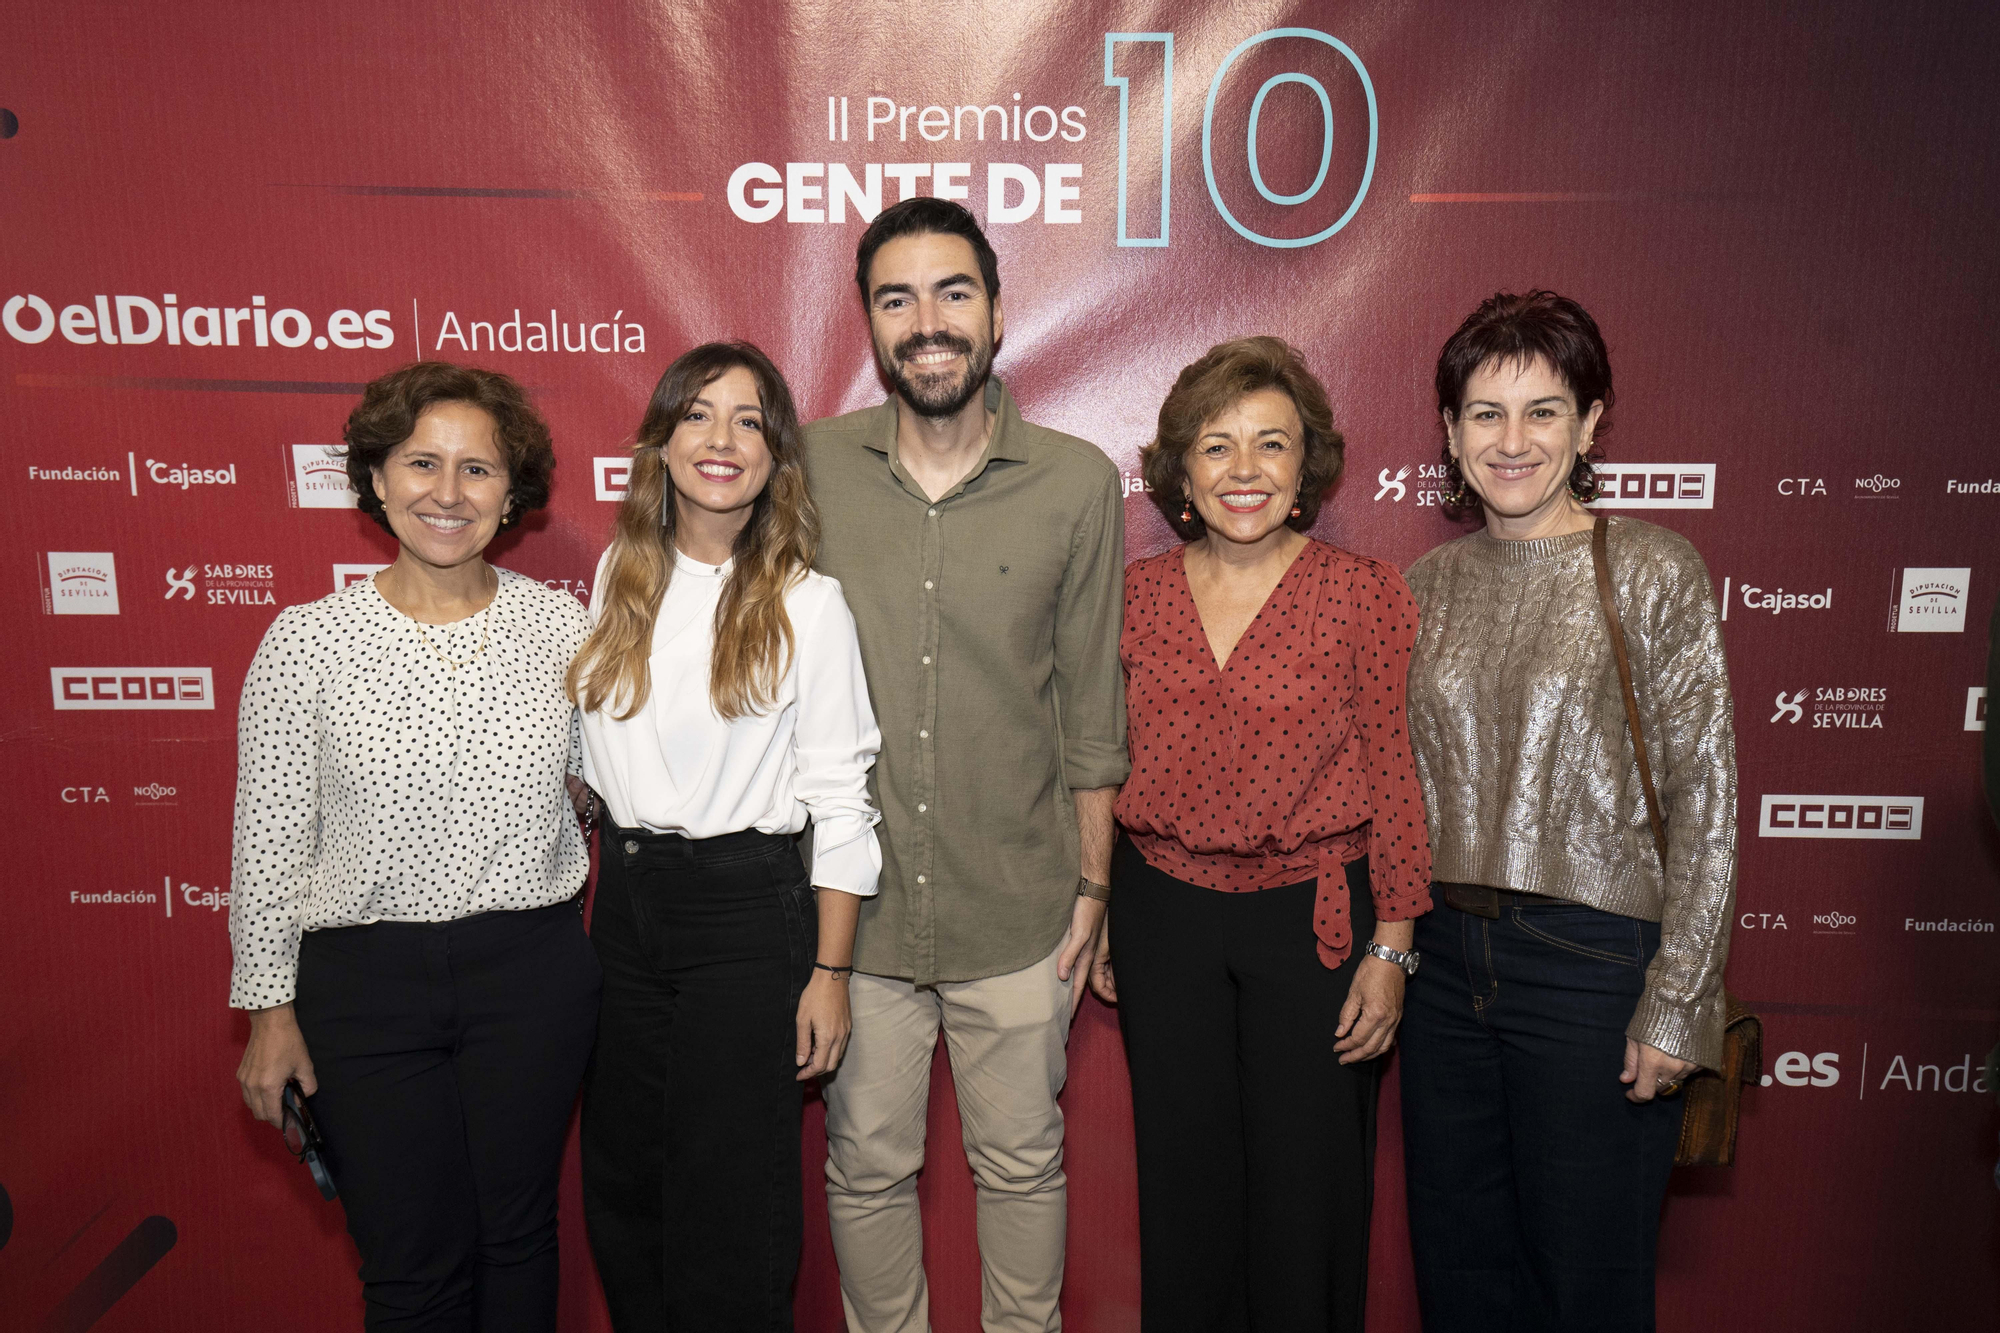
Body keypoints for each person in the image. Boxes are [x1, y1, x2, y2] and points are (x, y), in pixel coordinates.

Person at [803, 196, 1129, 1333]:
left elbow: (1091, 709)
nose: (927, 321)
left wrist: (1092, 890)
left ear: (995, 310)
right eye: (897, 298)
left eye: (953, 292)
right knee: (864, 1170)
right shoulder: (804, 470)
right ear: (869, 323)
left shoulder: (1078, 481)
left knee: (1022, 1168)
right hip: (860, 919)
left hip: (1020, 905)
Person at [230, 361, 599, 1332]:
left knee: (516, 1238)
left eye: (476, 470)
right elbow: (266, 841)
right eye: (421, 463)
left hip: (530, 972)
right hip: (363, 987)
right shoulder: (305, 642)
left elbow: (616, 788)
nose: (447, 492)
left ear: (511, 492)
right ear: (377, 479)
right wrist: (270, 1012)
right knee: (408, 1261)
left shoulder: (567, 629)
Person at [1399, 290, 1738, 1331]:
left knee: (1584, 1283)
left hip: (1591, 965)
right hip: (1441, 967)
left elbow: (1706, 794)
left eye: (1542, 411)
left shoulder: (1647, 568)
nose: (1512, 441)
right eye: (1484, 413)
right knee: (1459, 1276)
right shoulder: (1421, 583)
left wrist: (1678, 993)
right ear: (1450, 432)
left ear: (1590, 423)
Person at [1101, 336, 1432, 1331]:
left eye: (1269, 444)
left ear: (1305, 468)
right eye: (1216, 445)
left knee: (1308, 1196)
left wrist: (1393, 947)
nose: (1242, 469)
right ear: (1179, 473)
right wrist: (1103, 909)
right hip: (1161, 910)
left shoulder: (1363, 591)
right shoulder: (1134, 597)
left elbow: (1396, 774)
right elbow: (1101, 763)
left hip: (1317, 922)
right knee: (1183, 1187)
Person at [569, 342, 881, 1332]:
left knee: (730, 1203)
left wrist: (828, 974)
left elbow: (841, 798)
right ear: (659, 442)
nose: (720, 438)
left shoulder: (807, 604)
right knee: (625, 1188)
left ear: (773, 458)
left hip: (746, 914)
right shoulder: (618, 573)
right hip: (621, 908)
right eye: (697, 414)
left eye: (748, 420)